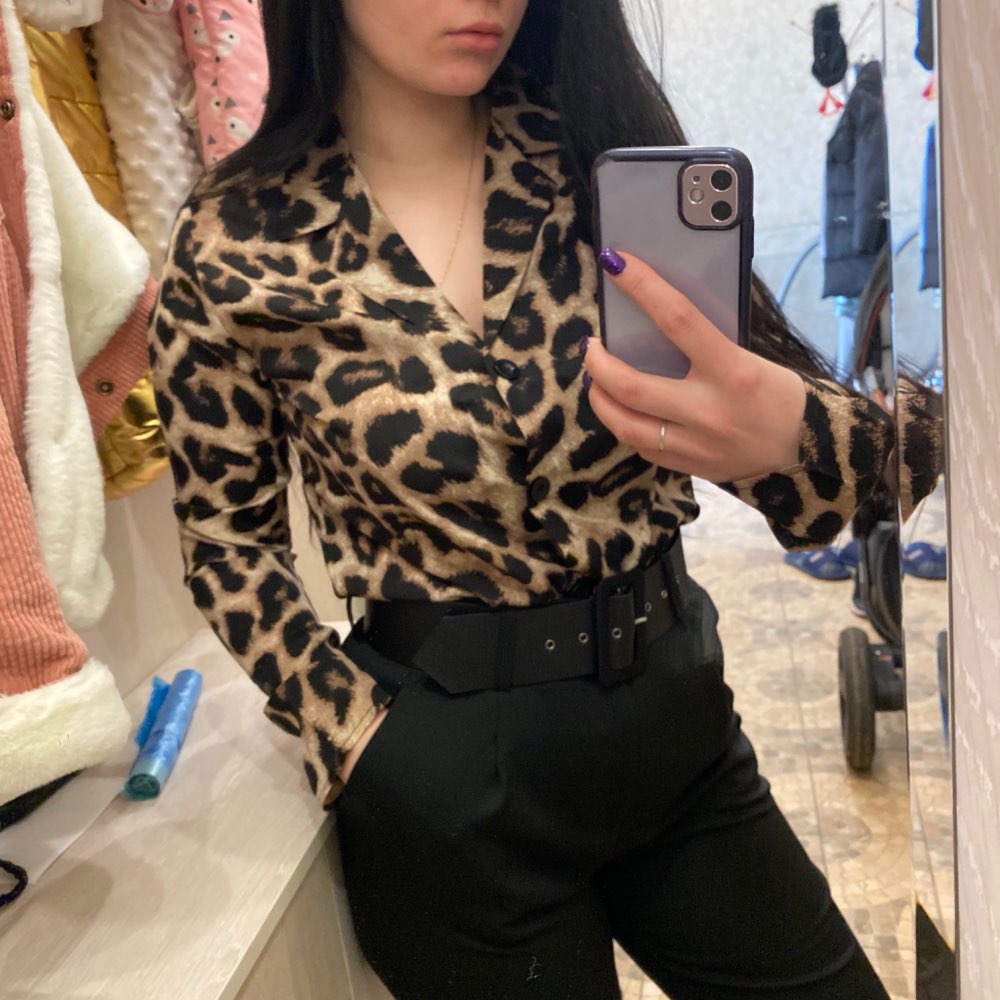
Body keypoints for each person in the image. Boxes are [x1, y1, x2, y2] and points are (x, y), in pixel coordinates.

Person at [148, 2, 896, 997]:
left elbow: (845, 469)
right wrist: (356, 731)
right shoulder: (235, 238)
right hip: (449, 771)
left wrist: (796, 430)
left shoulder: (599, 161)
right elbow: (226, 543)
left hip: (676, 726)